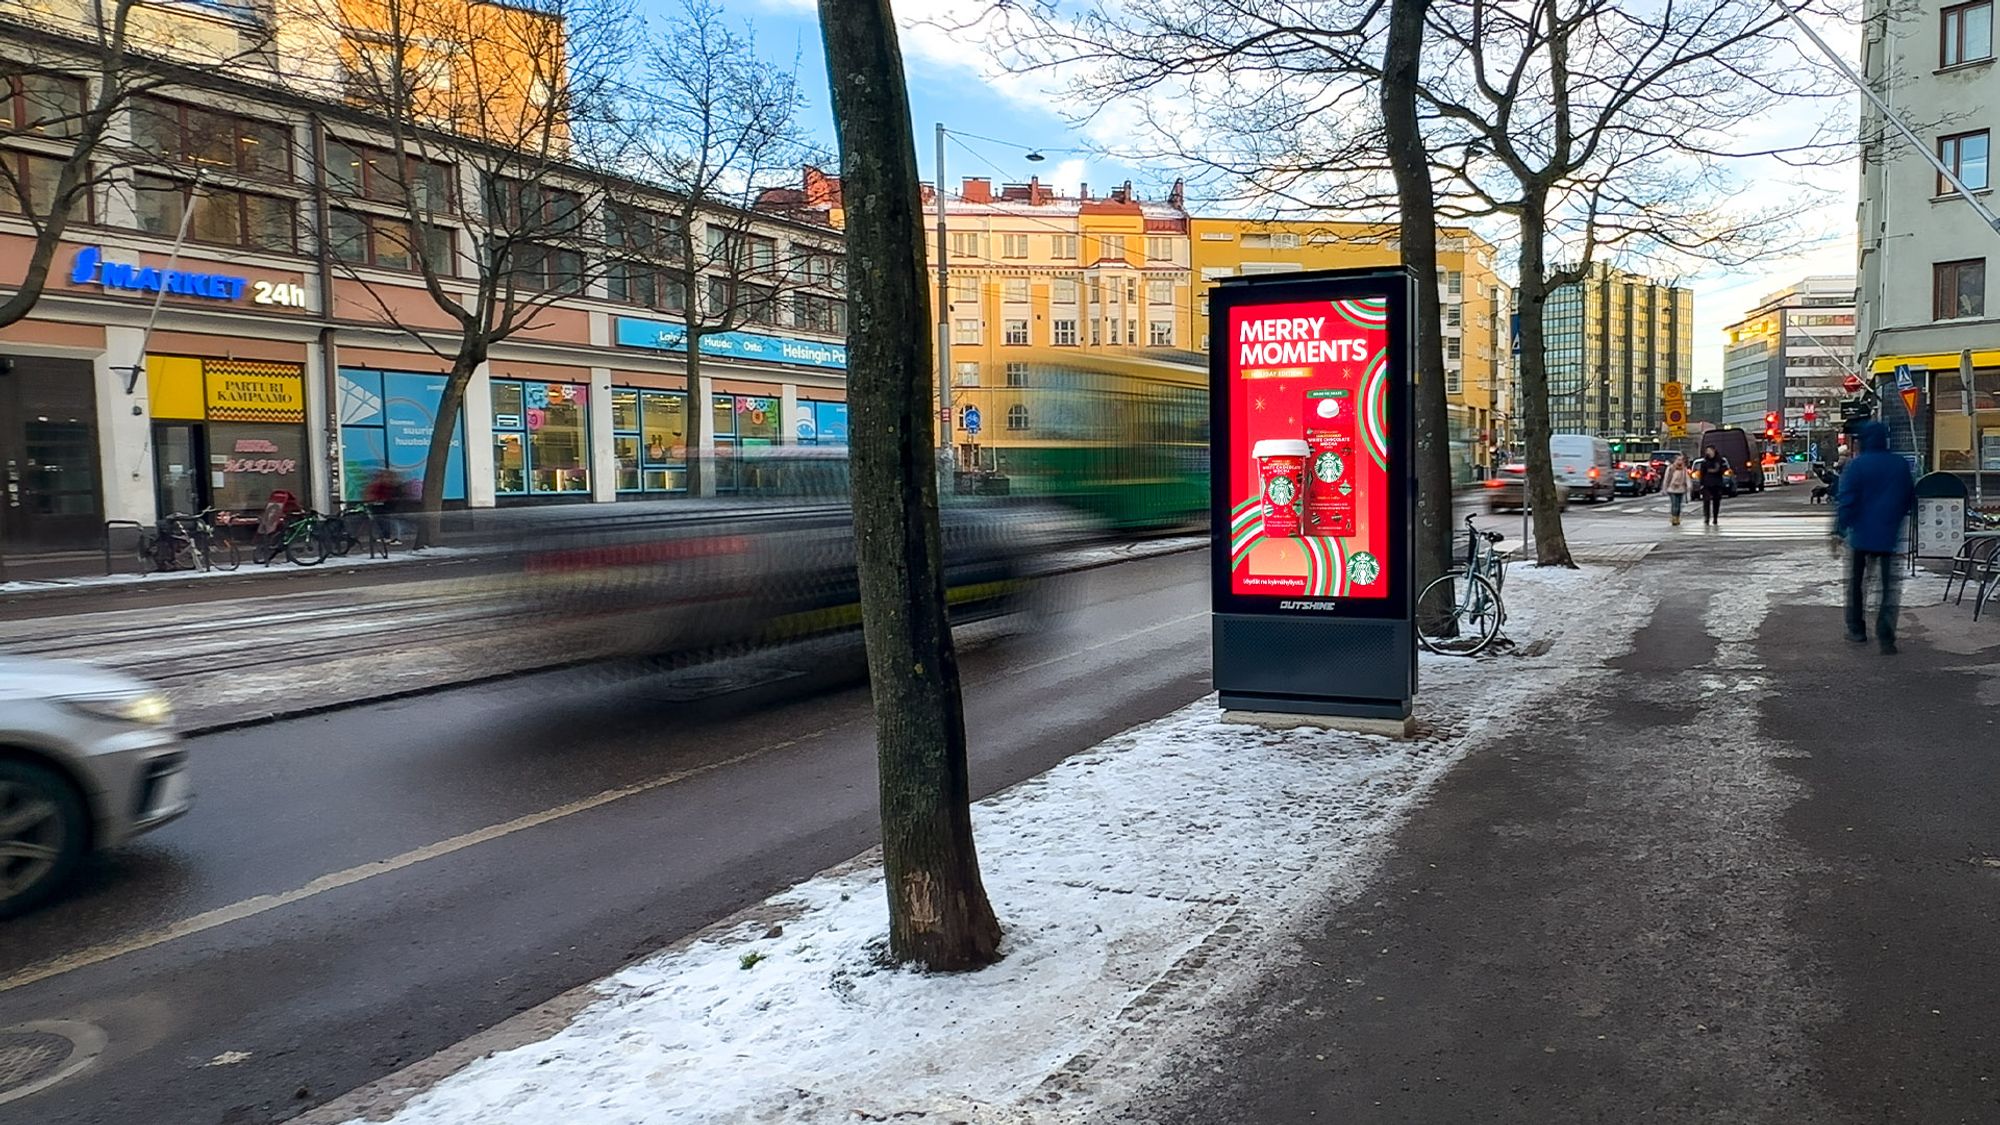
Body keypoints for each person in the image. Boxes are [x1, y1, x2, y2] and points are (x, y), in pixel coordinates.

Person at [1833, 420, 1917, 654]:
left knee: (1857, 584)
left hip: (1861, 536)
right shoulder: (1899, 464)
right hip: (1889, 535)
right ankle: (1886, 636)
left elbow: (1847, 500)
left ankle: (1857, 629)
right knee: (1889, 588)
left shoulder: (1857, 466)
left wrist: (1840, 529)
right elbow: (1909, 497)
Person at [362, 467, 409, 545]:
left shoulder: (391, 486)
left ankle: (394, 537)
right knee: (385, 521)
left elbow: (389, 495)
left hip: (388, 506)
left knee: (391, 521)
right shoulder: (385, 485)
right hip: (384, 505)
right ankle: (388, 537)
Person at [1696, 445, 1731, 526]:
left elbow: (1723, 470)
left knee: (1716, 501)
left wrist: (1718, 469)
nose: (1708, 452)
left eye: (1709, 450)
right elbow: (1702, 473)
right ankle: (1706, 517)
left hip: (1717, 484)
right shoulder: (1705, 461)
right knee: (1706, 501)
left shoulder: (1719, 460)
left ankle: (1715, 517)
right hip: (1707, 484)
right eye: (1707, 451)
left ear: (1714, 451)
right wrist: (1701, 484)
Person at [1662, 453, 1692, 526]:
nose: (1680, 461)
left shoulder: (1684, 469)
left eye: (1681, 460)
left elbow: (1687, 478)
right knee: (1674, 504)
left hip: (1681, 489)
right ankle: (1674, 518)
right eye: (1678, 460)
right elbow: (1666, 478)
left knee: (1679, 505)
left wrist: (1689, 486)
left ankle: (1677, 517)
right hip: (1672, 489)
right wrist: (1664, 488)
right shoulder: (1671, 468)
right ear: (1675, 460)